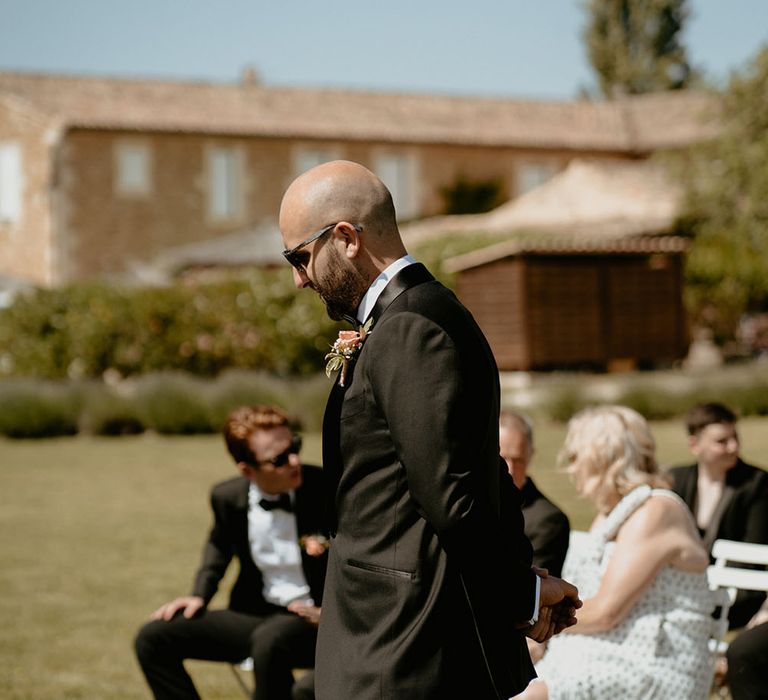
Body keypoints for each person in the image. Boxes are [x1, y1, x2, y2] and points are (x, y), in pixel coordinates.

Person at [278, 160, 581, 700]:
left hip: (403, 639)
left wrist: (522, 594)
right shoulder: (413, 319)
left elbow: (453, 497)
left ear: (345, 238)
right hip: (393, 627)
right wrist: (526, 584)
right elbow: (477, 472)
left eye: (299, 257)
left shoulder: (412, 329)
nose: (298, 279)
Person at [134, 405, 327, 700]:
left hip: (315, 618)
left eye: (295, 447)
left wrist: (333, 614)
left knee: (270, 642)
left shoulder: (325, 488)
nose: (294, 460)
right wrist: (199, 595)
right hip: (255, 612)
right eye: (279, 459)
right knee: (154, 637)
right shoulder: (227, 497)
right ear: (247, 470)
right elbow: (218, 545)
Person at [527, 405, 714, 699]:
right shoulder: (613, 513)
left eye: (577, 458)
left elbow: (605, 612)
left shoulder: (656, 510)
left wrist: (532, 620)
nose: (571, 469)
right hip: (605, 650)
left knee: (531, 695)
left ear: (603, 458)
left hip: (657, 663)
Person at [667, 402, 768, 627]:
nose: (733, 447)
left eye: (735, 438)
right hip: (683, 585)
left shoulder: (757, 483)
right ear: (695, 444)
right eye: (722, 441)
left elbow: (752, 551)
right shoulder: (676, 479)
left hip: (736, 591)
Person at [500, 410, 570, 577]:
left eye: (518, 460)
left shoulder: (547, 520)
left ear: (531, 456)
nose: (509, 470)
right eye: (502, 459)